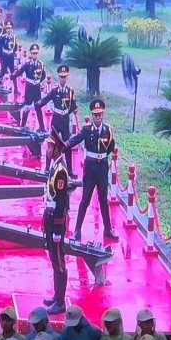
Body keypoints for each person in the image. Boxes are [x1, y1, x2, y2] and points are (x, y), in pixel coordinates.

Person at [64, 99, 119, 242]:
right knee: (85, 200)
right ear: (92, 116)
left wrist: (103, 158)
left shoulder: (108, 130)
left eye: (100, 115)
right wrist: (66, 144)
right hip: (90, 168)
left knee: (103, 200)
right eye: (95, 115)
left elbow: (111, 147)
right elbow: (76, 139)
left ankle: (108, 230)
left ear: (103, 115)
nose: (98, 118)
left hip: (102, 169)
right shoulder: (87, 130)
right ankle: (77, 231)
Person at [42, 156, 72, 315]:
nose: (47, 149)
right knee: (54, 259)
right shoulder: (55, 165)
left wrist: (58, 230)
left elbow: (61, 202)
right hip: (50, 216)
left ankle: (60, 302)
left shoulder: (61, 171)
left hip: (56, 219)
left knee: (59, 262)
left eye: (50, 146)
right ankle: (56, 295)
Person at [36, 66, 80, 174]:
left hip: (65, 119)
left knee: (67, 143)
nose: (63, 79)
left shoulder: (71, 91)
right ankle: (47, 168)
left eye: (65, 77)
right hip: (56, 119)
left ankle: (70, 169)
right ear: (58, 77)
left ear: (67, 78)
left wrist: (65, 113)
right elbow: (46, 100)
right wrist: (38, 104)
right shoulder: (55, 91)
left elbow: (73, 106)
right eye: (61, 77)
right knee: (52, 143)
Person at [15, 44, 48, 130]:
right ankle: (22, 126)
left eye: (36, 53)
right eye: (33, 53)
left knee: (38, 108)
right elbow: (20, 72)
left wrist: (39, 82)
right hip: (29, 88)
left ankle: (42, 127)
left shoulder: (41, 64)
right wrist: (13, 76)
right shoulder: (27, 64)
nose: (34, 55)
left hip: (36, 88)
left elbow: (43, 75)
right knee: (27, 107)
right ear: (31, 54)